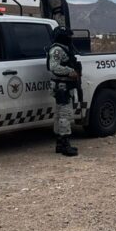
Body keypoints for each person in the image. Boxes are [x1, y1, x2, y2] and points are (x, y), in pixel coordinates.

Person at [47, 26, 81, 156]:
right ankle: (65, 145)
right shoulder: (57, 49)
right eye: (68, 37)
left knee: (60, 114)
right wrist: (70, 71)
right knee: (64, 115)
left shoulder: (63, 48)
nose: (70, 39)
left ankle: (60, 143)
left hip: (64, 86)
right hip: (62, 87)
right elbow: (54, 67)